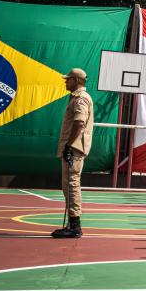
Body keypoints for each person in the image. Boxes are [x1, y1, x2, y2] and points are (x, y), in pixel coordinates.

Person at [51, 67, 93, 238]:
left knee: (71, 184)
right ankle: (72, 224)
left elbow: (79, 123)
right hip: (74, 147)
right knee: (68, 185)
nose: (66, 81)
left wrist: (69, 145)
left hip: (74, 148)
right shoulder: (77, 97)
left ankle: (75, 226)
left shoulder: (80, 99)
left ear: (76, 80)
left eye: (68, 79)